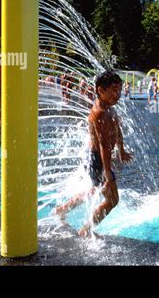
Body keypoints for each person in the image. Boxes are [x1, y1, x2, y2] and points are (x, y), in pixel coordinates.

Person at [55, 71, 133, 237]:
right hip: (97, 158)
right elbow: (104, 145)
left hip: (98, 158)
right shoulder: (99, 113)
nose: (117, 94)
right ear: (100, 90)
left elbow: (117, 129)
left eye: (119, 90)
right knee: (112, 200)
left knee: (92, 190)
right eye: (113, 90)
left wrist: (122, 149)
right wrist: (108, 171)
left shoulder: (109, 108)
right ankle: (86, 230)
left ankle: (62, 210)